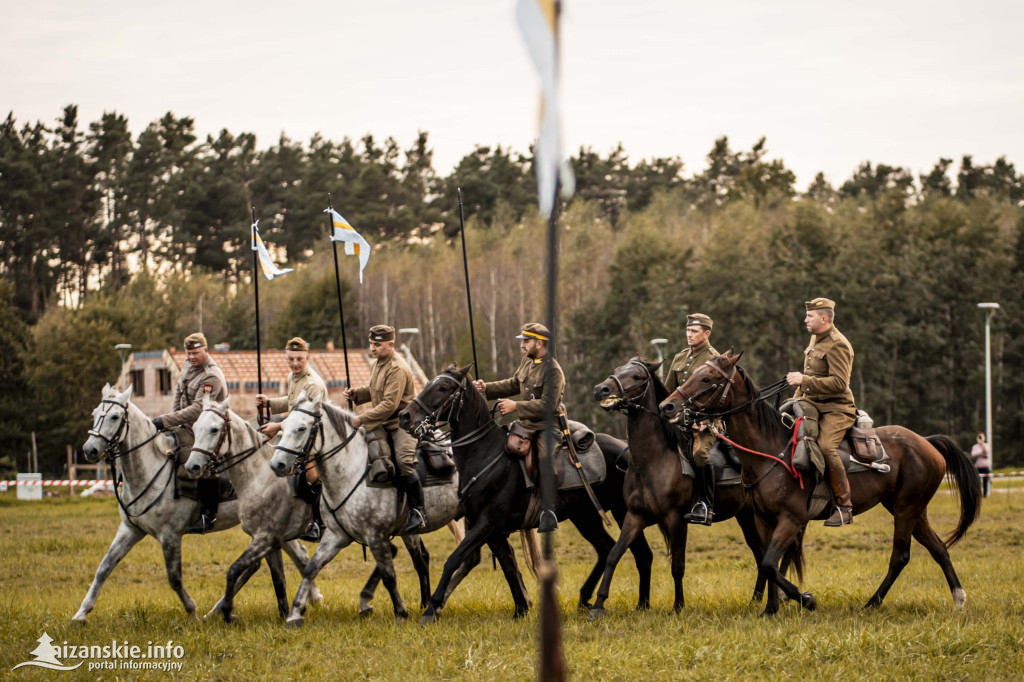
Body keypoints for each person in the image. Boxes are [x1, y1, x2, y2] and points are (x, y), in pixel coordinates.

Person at [472, 322, 564, 533]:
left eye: (526, 341)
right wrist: (487, 388)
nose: (522, 345)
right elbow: (514, 383)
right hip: (525, 424)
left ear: (539, 343)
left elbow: (548, 405)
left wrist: (516, 406)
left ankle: (548, 510)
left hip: (546, 427)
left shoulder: (553, 371)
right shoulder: (528, 362)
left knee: (544, 459)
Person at [344, 325, 424, 534]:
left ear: (391, 344)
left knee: (404, 460)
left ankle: (418, 511)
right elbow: (375, 390)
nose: (372, 348)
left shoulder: (397, 368)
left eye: (377, 345)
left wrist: (360, 419)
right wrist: (357, 394)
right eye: (371, 344)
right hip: (382, 421)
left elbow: (389, 404)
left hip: (402, 424)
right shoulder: (378, 363)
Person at [787, 298, 856, 527]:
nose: (805, 319)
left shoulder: (838, 344)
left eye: (810, 316)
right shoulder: (816, 336)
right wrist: (794, 399)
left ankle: (844, 507)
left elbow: (839, 383)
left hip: (836, 408)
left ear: (824, 319)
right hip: (811, 402)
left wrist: (803, 380)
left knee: (826, 447)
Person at [152, 332, 228, 534]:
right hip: (186, 426)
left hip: (208, 431)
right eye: (189, 353)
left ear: (206, 350)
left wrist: (164, 420)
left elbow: (197, 409)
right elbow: (178, 394)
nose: (192, 357)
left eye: (196, 353)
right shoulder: (187, 365)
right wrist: (170, 421)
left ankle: (208, 514)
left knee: (197, 460)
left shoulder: (211, 376)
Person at [255, 337, 328, 541]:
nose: (294, 363)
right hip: (298, 436)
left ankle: (318, 523)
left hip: (315, 437)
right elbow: (290, 403)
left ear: (308, 357)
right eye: (290, 359)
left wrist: (276, 427)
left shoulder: (313, 384)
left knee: (310, 478)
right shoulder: (292, 377)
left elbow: (304, 418)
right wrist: (268, 403)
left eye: (299, 359)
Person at [664, 313, 720, 526]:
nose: (689, 334)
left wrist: (707, 420)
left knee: (699, 454)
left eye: (694, 331)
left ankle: (705, 504)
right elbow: (669, 392)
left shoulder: (714, 360)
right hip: (677, 423)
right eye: (688, 330)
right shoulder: (680, 357)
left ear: (706, 333)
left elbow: (721, 397)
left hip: (704, 424)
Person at [971, 432, 992, 497]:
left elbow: (986, 451)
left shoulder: (987, 445)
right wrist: (980, 452)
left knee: (986, 482)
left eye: (981, 437)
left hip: (985, 466)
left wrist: (982, 444)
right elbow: (973, 455)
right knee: (977, 482)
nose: (980, 438)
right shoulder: (975, 446)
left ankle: (985, 495)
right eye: (979, 437)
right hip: (977, 466)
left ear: (984, 438)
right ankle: (978, 495)